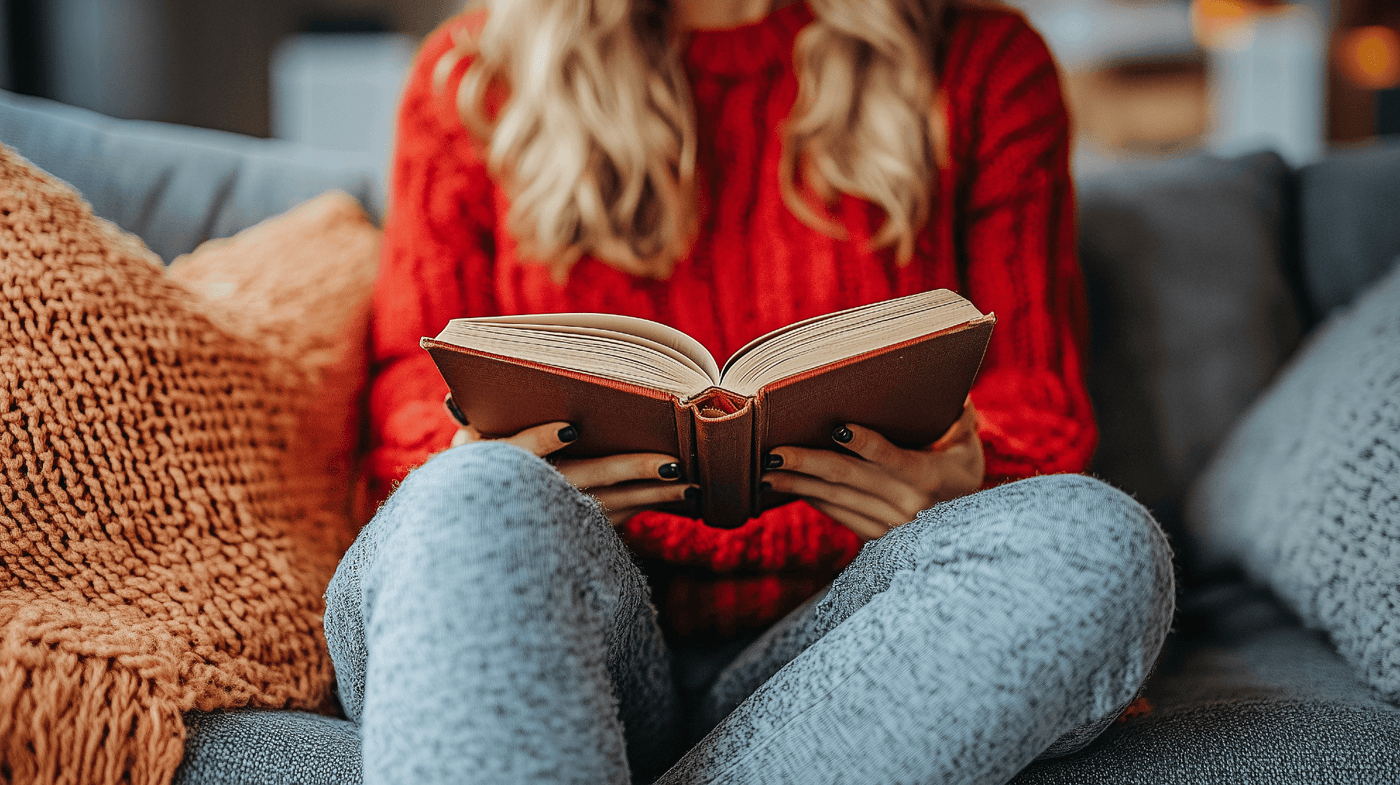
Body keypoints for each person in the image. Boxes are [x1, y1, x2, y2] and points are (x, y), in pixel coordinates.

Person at [326, 0, 1176, 782]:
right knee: (473, 497)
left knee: (1100, 544)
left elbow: (1042, 412)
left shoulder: (984, 63)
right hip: (567, 614)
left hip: (855, 648)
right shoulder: (471, 76)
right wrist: (485, 455)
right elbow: (412, 382)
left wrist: (959, 481)